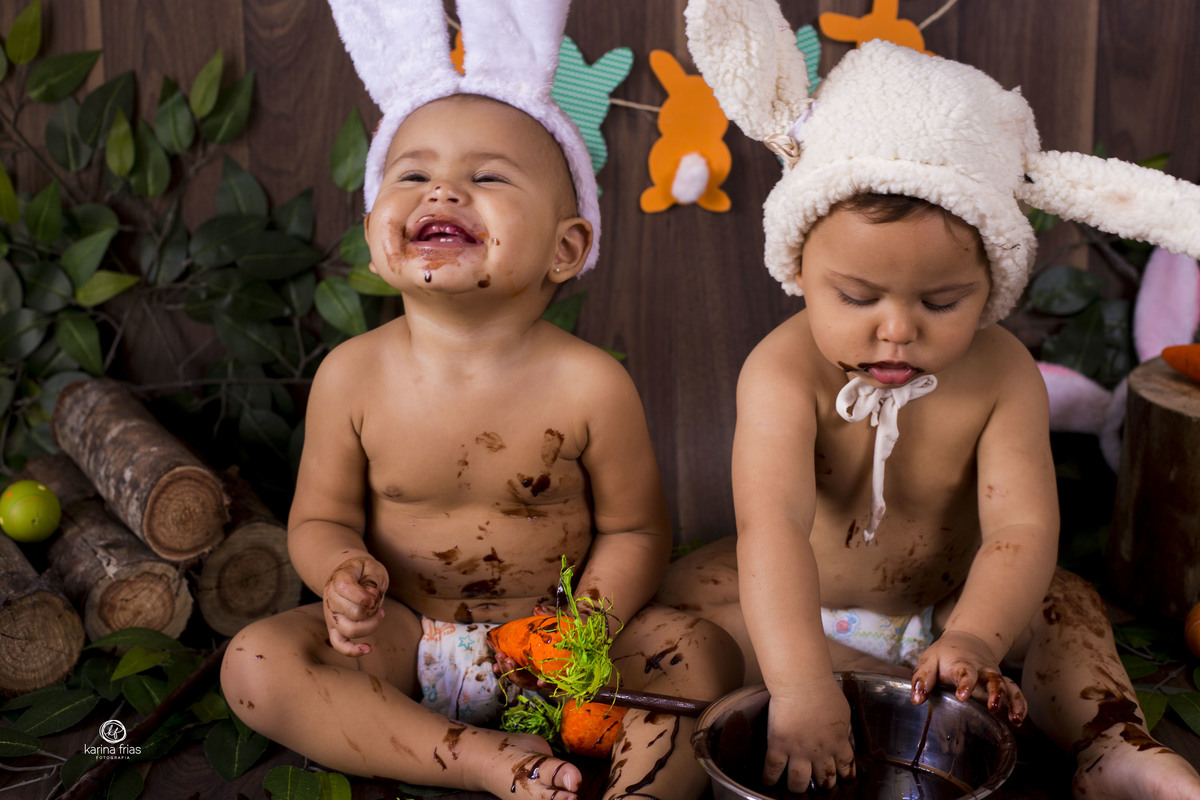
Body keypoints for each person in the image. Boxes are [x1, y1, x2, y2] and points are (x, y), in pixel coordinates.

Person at [658, 2, 1200, 798]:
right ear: (800, 268)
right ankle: (832, 690)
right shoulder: (780, 371)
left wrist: (979, 634)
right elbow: (769, 526)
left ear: (993, 285)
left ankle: (1107, 744)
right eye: (856, 296)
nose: (896, 331)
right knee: (668, 624)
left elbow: (1019, 524)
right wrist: (802, 684)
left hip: (954, 606)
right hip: (804, 617)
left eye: (943, 303)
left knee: (1068, 605)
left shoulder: (1002, 370)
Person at [220, 2, 741, 799]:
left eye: (488, 176)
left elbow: (637, 529)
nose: (444, 191)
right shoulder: (351, 377)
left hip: (567, 647)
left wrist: (589, 626)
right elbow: (320, 519)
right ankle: (482, 760)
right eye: (414, 174)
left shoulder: (591, 383)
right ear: (375, 233)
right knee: (255, 663)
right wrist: (341, 572)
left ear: (568, 246)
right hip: (406, 638)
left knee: (699, 652)